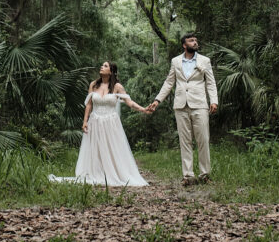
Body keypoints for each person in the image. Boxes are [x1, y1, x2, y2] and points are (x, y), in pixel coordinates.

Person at [49, 61, 149, 187]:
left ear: (111, 71)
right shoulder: (93, 85)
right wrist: (85, 121)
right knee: (95, 149)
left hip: (111, 122)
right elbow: (89, 104)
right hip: (95, 121)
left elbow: (129, 102)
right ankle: (96, 173)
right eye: (102, 65)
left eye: (105, 66)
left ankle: (113, 173)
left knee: (111, 148)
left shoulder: (117, 86)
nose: (102, 67)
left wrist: (143, 109)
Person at [148, 32, 217, 187]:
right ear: (184, 45)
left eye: (196, 40)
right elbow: (168, 82)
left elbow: (210, 83)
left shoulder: (205, 61)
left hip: (199, 104)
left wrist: (214, 101)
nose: (195, 42)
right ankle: (188, 176)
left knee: (203, 139)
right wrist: (157, 100)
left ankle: (205, 174)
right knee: (184, 141)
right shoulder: (176, 61)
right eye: (191, 40)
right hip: (180, 105)